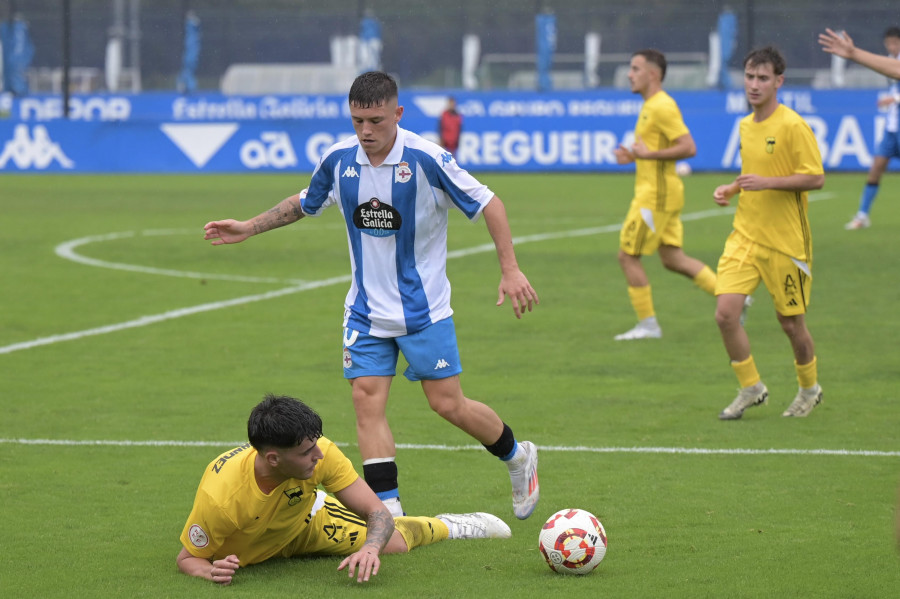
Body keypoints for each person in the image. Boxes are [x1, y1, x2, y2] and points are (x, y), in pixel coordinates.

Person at [203, 71, 540, 522]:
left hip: (424, 311)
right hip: (364, 312)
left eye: (376, 120)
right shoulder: (339, 160)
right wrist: (249, 226)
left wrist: (511, 269)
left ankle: (518, 457)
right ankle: (389, 509)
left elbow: (489, 203)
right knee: (367, 400)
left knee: (448, 405)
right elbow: (305, 202)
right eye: (358, 120)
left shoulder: (426, 159)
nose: (366, 131)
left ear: (397, 114)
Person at [177, 394, 512, 586]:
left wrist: (370, 547)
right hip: (258, 544)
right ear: (274, 458)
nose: (318, 456)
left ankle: (447, 525)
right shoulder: (220, 498)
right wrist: (210, 570)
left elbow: (377, 512)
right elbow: (188, 558)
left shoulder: (320, 451)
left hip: (306, 523)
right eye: (307, 452)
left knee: (391, 543)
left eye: (316, 445)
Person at [712, 46, 825, 420]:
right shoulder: (746, 125)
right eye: (749, 76)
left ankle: (809, 390)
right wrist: (733, 188)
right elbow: (754, 176)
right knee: (726, 314)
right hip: (745, 234)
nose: (754, 85)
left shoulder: (793, 125)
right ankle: (751, 387)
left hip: (785, 241)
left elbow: (816, 177)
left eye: (763, 78)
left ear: (779, 81)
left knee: (791, 324)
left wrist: (768, 182)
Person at [612, 49, 719, 340]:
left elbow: (689, 147)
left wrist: (651, 154)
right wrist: (634, 156)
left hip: (655, 195)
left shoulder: (662, 106)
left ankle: (648, 325)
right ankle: (733, 298)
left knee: (627, 256)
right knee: (673, 259)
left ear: (653, 74)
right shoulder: (650, 105)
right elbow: (654, 152)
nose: (629, 74)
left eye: (635, 69)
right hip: (662, 191)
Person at [819, 26, 900, 230]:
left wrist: (895, 98)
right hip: (892, 127)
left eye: (895, 42)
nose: (892, 46)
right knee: (875, 171)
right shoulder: (890, 60)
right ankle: (863, 215)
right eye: (889, 42)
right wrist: (853, 53)